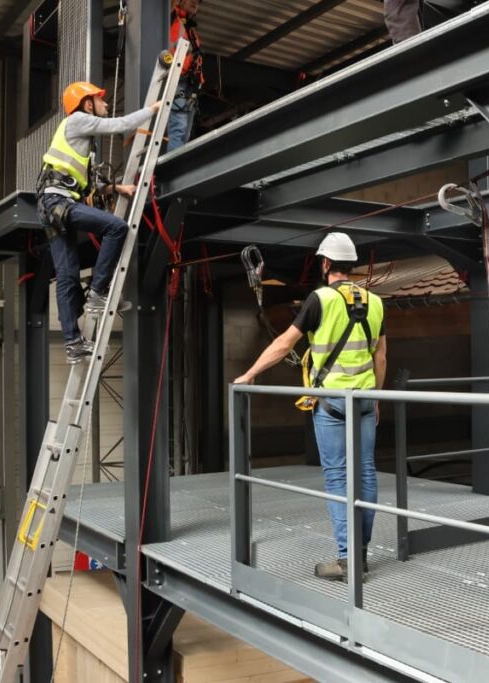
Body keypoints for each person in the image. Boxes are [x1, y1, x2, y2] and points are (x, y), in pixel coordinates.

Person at [233, 233, 388, 581]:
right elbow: (380, 357)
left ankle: (348, 560)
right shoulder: (376, 302)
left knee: (337, 477)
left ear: (326, 263)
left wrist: (250, 374)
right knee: (365, 473)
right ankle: (360, 554)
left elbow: (284, 343)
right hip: (364, 400)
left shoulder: (320, 299)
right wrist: (377, 397)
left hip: (332, 402)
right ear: (352, 264)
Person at [37, 81, 163, 363]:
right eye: (100, 99)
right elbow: (121, 124)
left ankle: (73, 343)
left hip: (52, 206)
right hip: (58, 203)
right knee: (116, 227)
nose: (106, 104)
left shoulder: (82, 139)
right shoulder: (78, 121)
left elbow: (87, 183)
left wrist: (117, 189)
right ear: (87, 104)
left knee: (67, 277)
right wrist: (154, 108)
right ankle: (97, 292)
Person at [167, 0, 205, 152]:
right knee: (179, 128)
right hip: (177, 80)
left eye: (198, 1)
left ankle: (179, 161)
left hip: (191, 85)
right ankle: (175, 165)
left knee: (186, 133)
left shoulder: (190, 29)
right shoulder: (170, 17)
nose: (195, 3)